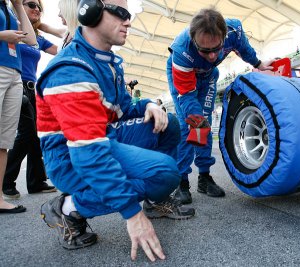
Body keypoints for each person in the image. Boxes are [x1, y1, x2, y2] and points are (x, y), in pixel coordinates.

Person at [37, 0, 194, 261]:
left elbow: (123, 106)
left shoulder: (105, 61)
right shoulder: (70, 71)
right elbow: (89, 155)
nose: (129, 21)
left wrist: (149, 105)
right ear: (90, 10)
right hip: (72, 157)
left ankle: (154, 200)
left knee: (170, 123)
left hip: (102, 138)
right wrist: (132, 214)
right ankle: (69, 207)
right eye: (121, 13)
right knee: (166, 172)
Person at [166, 8, 274, 205]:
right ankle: (181, 182)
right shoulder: (181, 51)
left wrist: (258, 63)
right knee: (189, 126)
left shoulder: (234, 31)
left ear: (224, 36)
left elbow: (244, 49)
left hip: (207, 78)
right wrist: (196, 119)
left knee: (204, 127)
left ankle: (204, 178)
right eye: (205, 50)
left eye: (217, 48)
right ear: (193, 40)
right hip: (184, 81)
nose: (213, 56)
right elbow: (187, 96)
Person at [2, 0, 57, 199]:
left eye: (39, 7)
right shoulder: (9, 25)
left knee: (34, 135)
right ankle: (7, 181)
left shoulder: (37, 38)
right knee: (26, 133)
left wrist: (42, 25)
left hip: (32, 89)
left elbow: (61, 48)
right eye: (31, 4)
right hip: (15, 82)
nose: (36, 9)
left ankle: (36, 181)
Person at [0, 0, 36, 213]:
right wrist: (2, 36)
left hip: (15, 73)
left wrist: (18, 6)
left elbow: (30, 39)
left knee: (4, 139)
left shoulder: (11, 10)